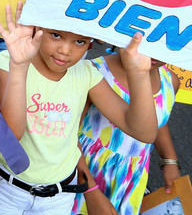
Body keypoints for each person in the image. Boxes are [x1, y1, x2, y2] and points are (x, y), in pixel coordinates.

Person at [0, 3, 159, 215]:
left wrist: (139, 74)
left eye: (79, 41)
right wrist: (19, 67)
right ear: (37, 25)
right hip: (8, 189)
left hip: (59, 196)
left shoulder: (87, 73)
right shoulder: (9, 61)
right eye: (56, 35)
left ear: (90, 44)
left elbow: (144, 132)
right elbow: (11, 138)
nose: (65, 51)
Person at [72, 53, 180, 215]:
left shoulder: (170, 81)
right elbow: (67, 136)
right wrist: (89, 189)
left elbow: (158, 122)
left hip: (129, 178)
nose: (151, 52)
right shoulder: (95, 72)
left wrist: (170, 160)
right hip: (82, 168)